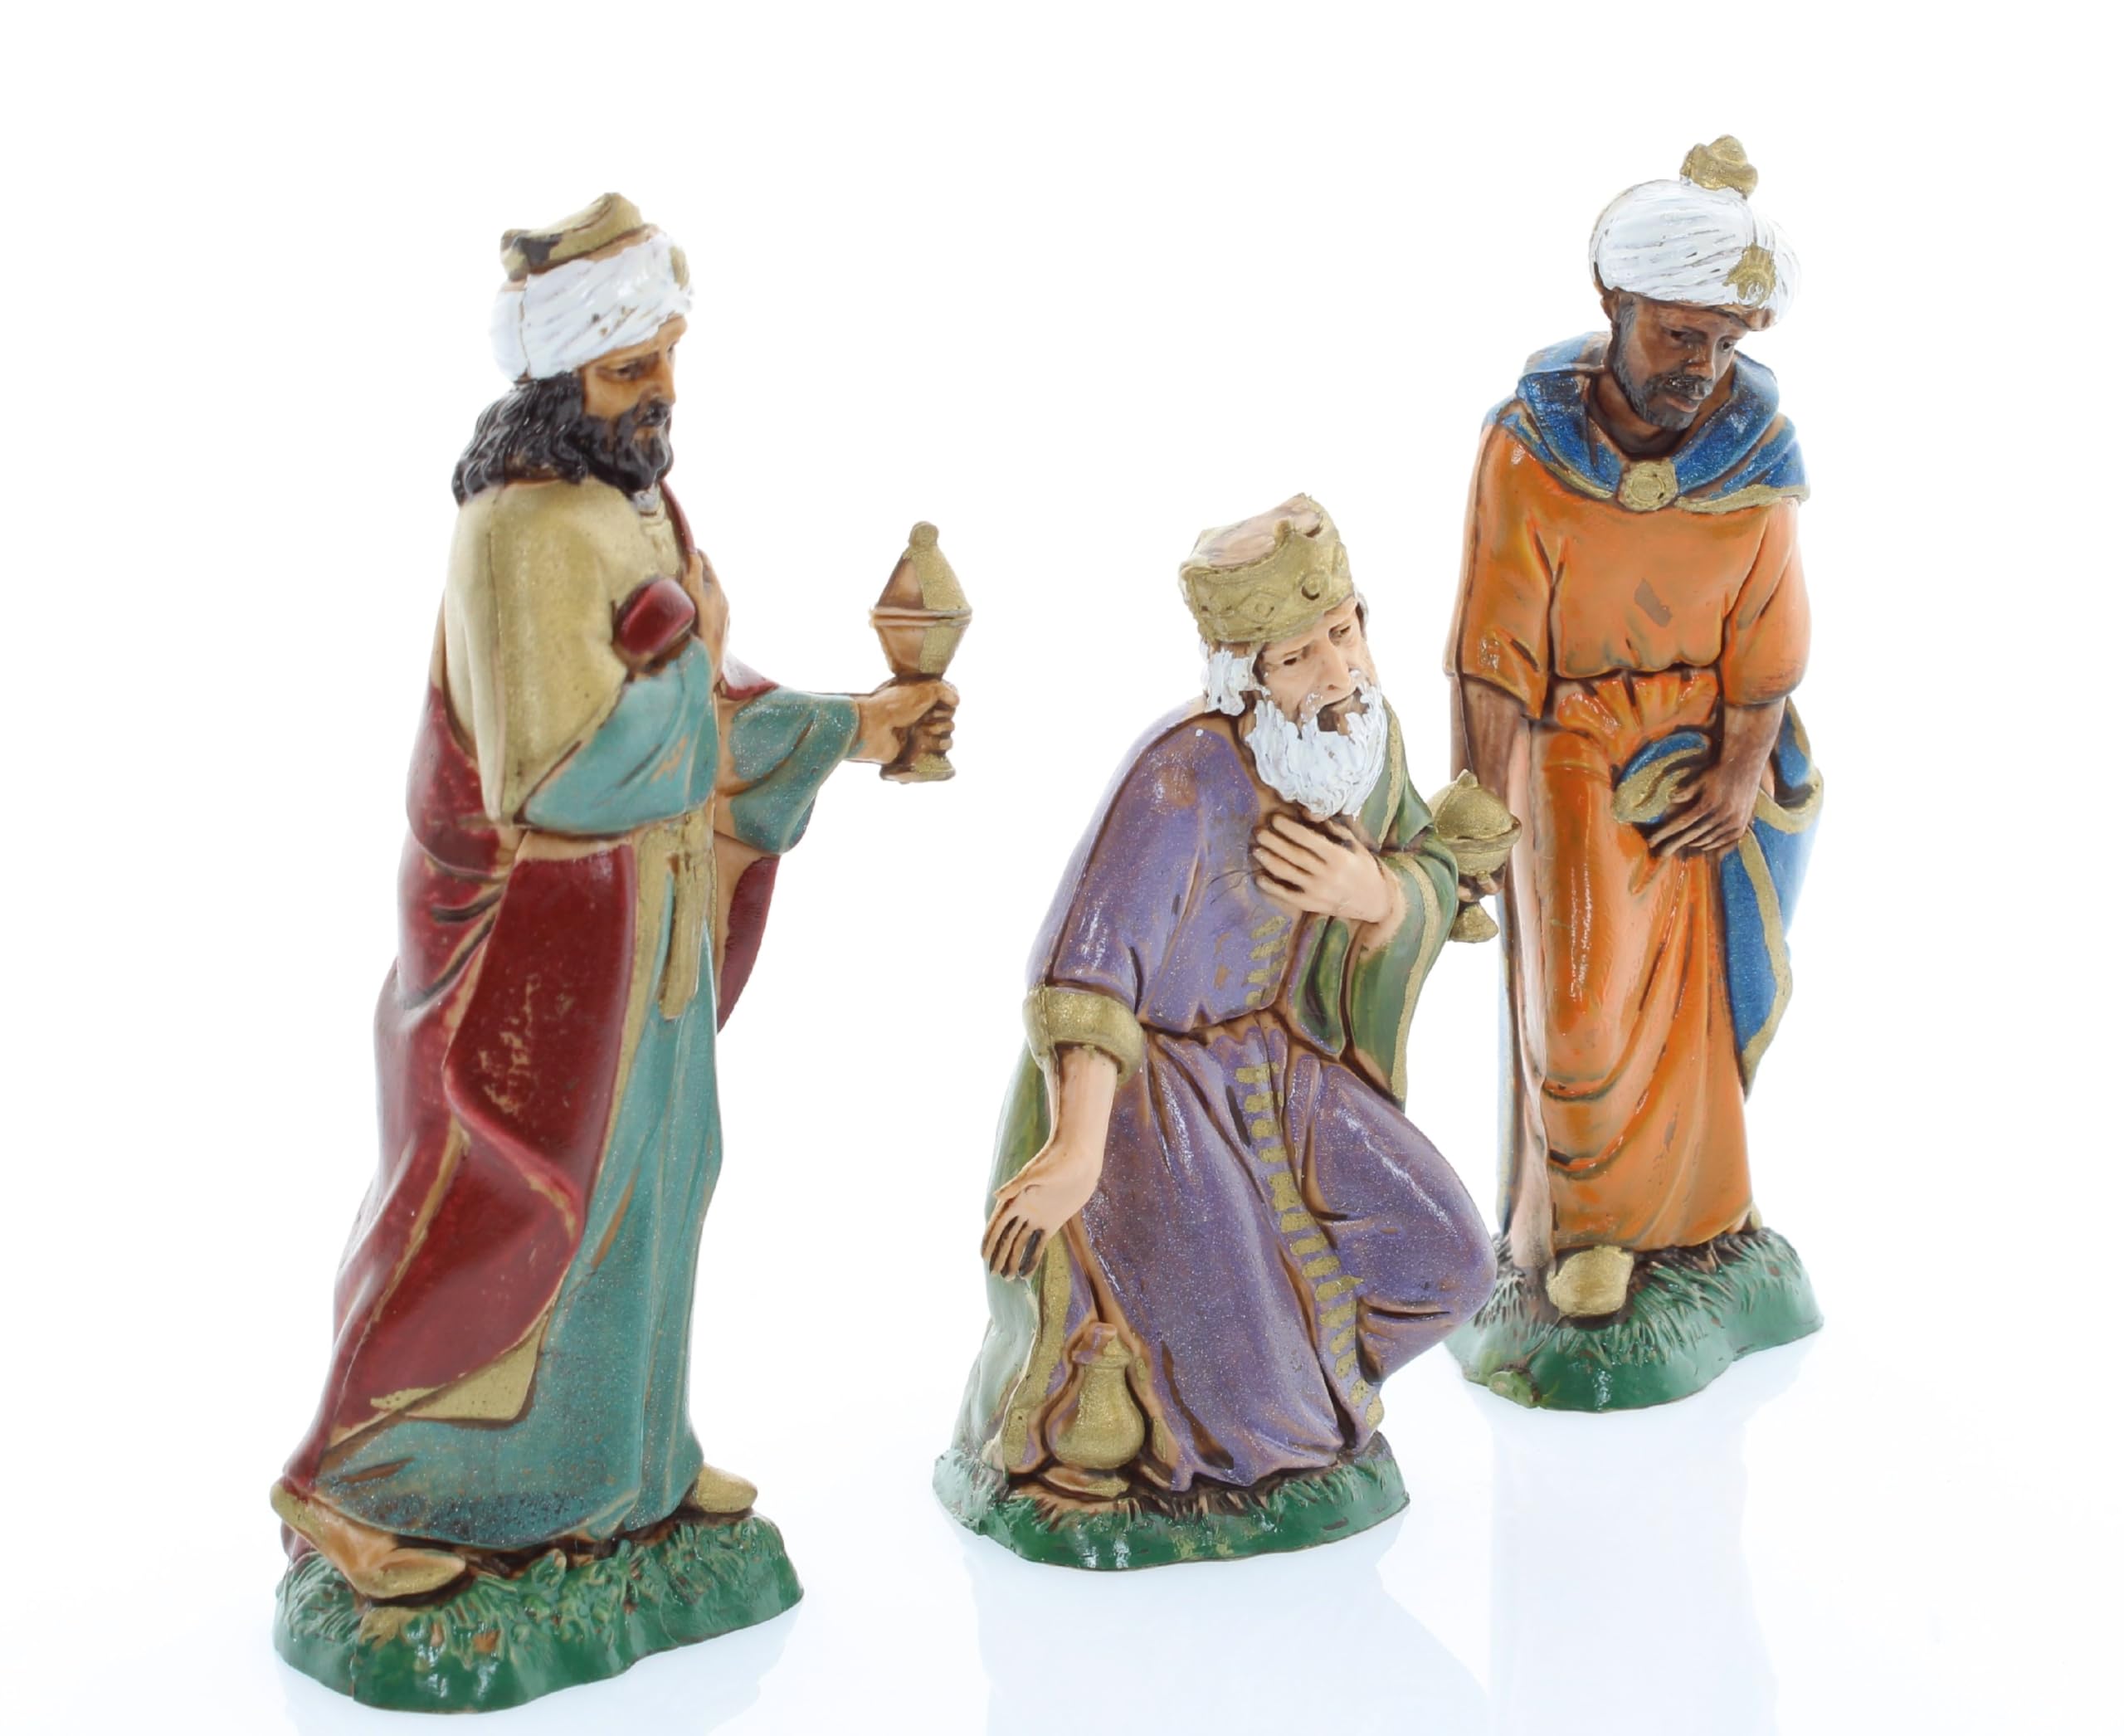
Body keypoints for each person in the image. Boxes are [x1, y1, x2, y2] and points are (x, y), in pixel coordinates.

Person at [273, 195, 952, 1598]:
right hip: (534, 964)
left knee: (663, 1185)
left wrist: (860, 725)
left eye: (669, 357)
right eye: (634, 367)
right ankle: (357, 1485)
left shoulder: (633, 504)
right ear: (560, 374)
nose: (664, 391)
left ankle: (626, 1469)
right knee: (514, 1217)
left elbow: (708, 701)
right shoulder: (519, 533)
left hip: (646, 937)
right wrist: (693, 669)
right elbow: (557, 771)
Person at [942, 495, 1492, 1560]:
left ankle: (1298, 1378)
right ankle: (1195, 1409)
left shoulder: (1360, 742)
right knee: (1258, 1406)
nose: (1335, 672)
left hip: (1281, 1066)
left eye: (1343, 632)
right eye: (1296, 656)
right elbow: (1084, 978)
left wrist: (1374, 893)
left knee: (1449, 1260)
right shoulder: (1179, 778)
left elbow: (1421, 861)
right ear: (1245, 674)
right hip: (1153, 1095)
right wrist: (1077, 1147)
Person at [1447, 139, 1821, 1334]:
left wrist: (1743, 766)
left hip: (1701, 750)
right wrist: (1478, 806)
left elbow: (1769, 632)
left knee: (1697, 996)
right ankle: (1582, 1225)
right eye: (1677, 335)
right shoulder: (1529, 448)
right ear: (1613, 300)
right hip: (1571, 747)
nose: (1700, 369)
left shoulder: (1756, 459)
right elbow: (1495, 643)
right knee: (1578, 999)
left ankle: (1692, 1218)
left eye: (1724, 343)